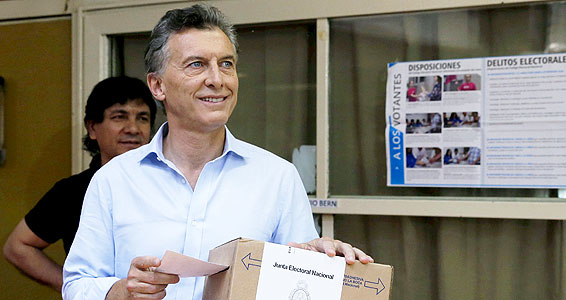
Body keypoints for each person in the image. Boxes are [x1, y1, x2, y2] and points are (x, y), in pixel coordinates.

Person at [62, 5, 372, 300]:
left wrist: (324, 264)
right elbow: (76, 286)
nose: (217, 79)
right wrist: (121, 292)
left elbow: (301, 280)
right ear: (158, 86)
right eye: (196, 64)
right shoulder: (114, 179)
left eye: (226, 64)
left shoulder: (277, 177)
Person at [3, 76, 156, 293]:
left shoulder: (165, 183)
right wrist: (73, 288)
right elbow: (17, 247)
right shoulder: (72, 191)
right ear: (92, 128)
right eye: (119, 117)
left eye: (142, 118)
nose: (133, 128)